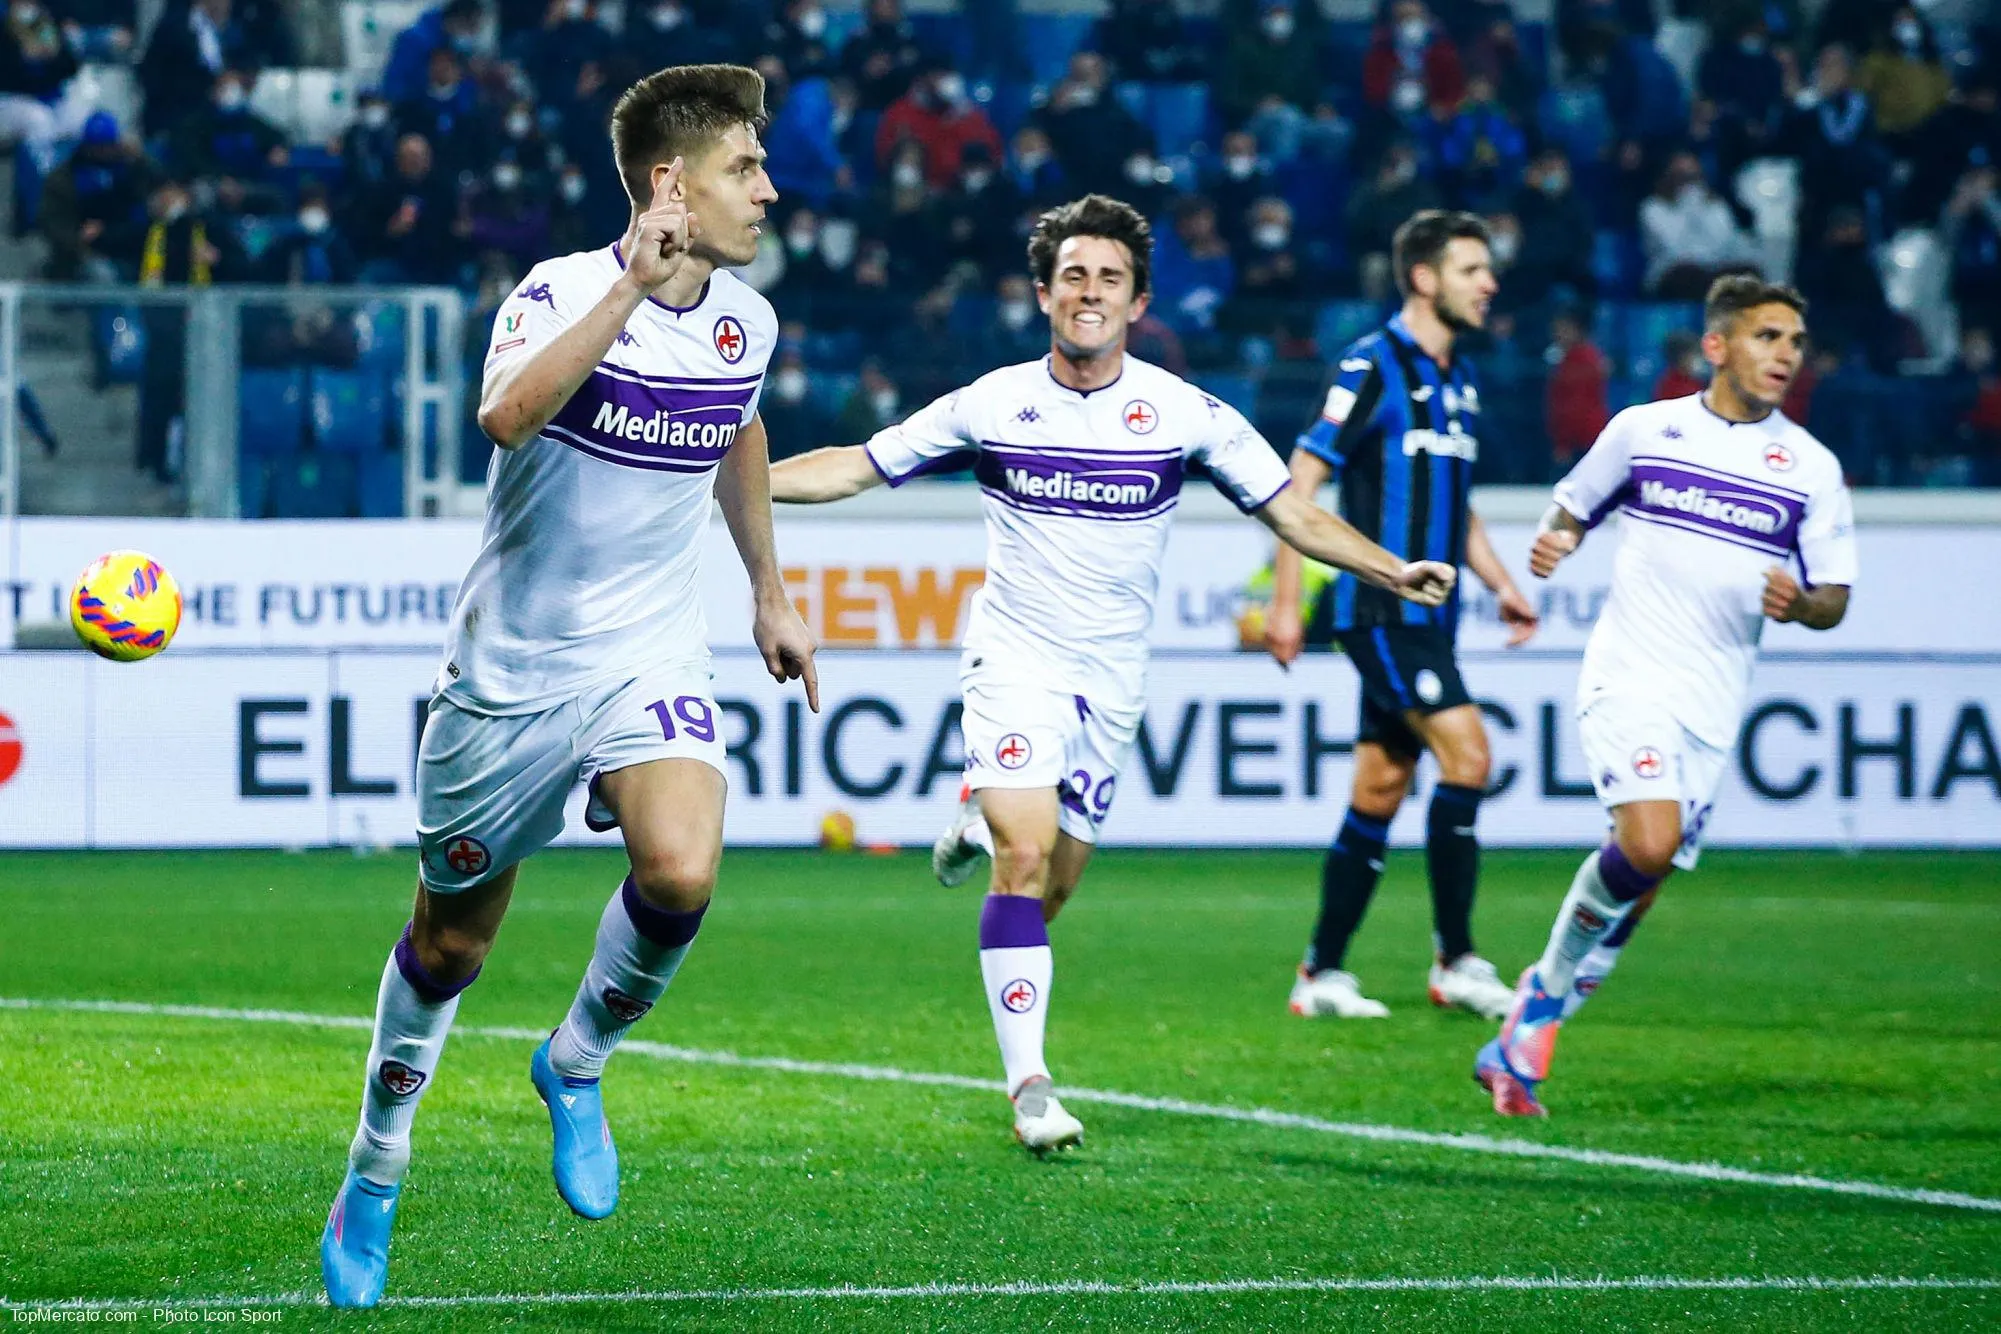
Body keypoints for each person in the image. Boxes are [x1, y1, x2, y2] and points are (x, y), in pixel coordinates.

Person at [767, 194, 1457, 1155]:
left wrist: (1389, 568)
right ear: (1042, 293)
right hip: (1016, 660)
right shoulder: (991, 402)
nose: (1090, 293)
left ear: (1137, 304)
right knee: (1021, 854)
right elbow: (854, 466)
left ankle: (980, 809)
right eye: (1075, 276)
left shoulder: (1183, 412)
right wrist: (732, 472)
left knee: (1049, 887)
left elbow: (1290, 511)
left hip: (1112, 683)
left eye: (1111, 279)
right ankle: (1030, 1086)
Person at [318, 63, 818, 1309]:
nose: (768, 186)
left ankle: (577, 1058)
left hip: (647, 654)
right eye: (743, 167)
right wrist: (627, 293)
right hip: (509, 677)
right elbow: (506, 412)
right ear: (670, 184)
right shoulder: (557, 291)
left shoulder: (745, 320)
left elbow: (740, 428)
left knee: (683, 868)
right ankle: (375, 1168)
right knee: (450, 942)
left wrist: (766, 584)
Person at [1477, 274, 1858, 1117]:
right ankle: (1538, 999)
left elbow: (1834, 596)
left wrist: (1802, 604)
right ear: (1716, 346)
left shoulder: (1809, 469)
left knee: (1642, 885)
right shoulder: (1646, 432)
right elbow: (1572, 505)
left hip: (1713, 702)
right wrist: (1554, 542)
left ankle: (1516, 1043)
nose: (1785, 356)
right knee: (1646, 846)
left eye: (1793, 342)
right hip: (1631, 674)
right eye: (1767, 338)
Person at [1265, 210, 1537, 1022]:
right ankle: (1455, 959)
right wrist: (1286, 604)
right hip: (1379, 609)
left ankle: (1320, 974)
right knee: (1470, 757)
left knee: (1382, 787)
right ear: (1423, 277)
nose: (1488, 283)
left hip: (1433, 619)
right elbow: (1295, 486)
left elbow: (1458, 508)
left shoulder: (1459, 379)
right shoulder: (1372, 364)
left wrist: (1500, 583)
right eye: (1470, 269)